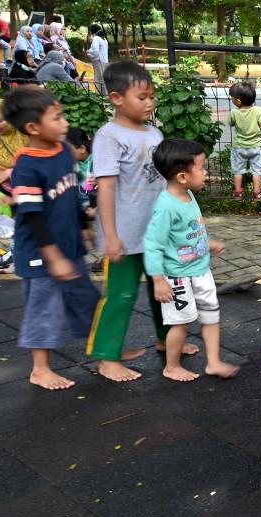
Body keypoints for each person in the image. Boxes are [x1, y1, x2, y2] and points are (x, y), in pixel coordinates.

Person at [4, 85, 99, 389]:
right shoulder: (27, 166)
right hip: (40, 253)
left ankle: (102, 350)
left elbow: (71, 196)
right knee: (44, 307)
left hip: (69, 246)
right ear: (33, 127)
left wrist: (84, 226)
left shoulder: (63, 153)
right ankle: (40, 368)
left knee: (87, 297)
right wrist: (53, 256)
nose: (65, 123)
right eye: (57, 118)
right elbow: (30, 216)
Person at [86, 61, 176, 382]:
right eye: (142, 97)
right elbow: (106, 188)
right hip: (124, 233)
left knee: (162, 288)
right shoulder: (109, 137)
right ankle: (107, 356)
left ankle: (167, 340)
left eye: (152, 96)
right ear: (116, 98)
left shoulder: (154, 132)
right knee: (121, 294)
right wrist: (110, 235)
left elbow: (165, 183)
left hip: (155, 232)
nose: (150, 102)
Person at [144, 139, 238, 381]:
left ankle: (214, 362)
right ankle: (171, 366)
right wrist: (158, 280)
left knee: (211, 317)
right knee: (181, 323)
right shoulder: (166, 207)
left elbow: (189, 233)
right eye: (202, 168)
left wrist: (207, 244)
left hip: (200, 270)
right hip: (177, 276)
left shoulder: (187, 196)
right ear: (183, 177)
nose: (206, 172)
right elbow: (153, 245)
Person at [227, 81, 261, 199]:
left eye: (232, 98)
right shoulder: (258, 110)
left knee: (237, 171)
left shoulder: (234, 112)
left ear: (238, 101)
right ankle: (257, 194)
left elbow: (230, 123)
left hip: (239, 147)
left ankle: (237, 193)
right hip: (255, 147)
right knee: (257, 171)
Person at [0, 97, 28, 192]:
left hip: (28, 183)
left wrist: (9, 173)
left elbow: (37, 161)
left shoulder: (25, 133)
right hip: (0, 183)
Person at [66, 127, 95, 222]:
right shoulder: (70, 165)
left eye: (68, 150)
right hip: (83, 212)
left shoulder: (99, 161)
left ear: (82, 148)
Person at [86, 24, 109, 95]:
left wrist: (88, 53)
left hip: (98, 61)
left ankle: (98, 96)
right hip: (105, 61)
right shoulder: (104, 38)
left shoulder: (96, 38)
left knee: (98, 79)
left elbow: (95, 51)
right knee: (103, 79)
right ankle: (105, 95)